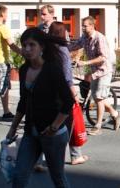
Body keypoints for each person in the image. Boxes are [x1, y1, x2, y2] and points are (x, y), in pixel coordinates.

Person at [5, 29, 73, 188]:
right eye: (24, 45)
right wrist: (13, 127)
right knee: (19, 176)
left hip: (53, 134)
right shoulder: (23, 70)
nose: (27, 49)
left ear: (42, 47)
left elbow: (68, 102)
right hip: (31, 131)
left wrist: (54, 126)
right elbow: (23, 101)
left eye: (32, 45)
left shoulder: (52, 69)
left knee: (58, 178)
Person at [69, 16, 120, 134]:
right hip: (94, 71)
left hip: (104, 71)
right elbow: (75, 46)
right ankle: (115, 113)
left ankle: (98, 126)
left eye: (85, 26)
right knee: (98, 97)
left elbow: (103, 57)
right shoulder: (84, 37)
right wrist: (61, 50)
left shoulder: (99, 38)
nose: (83, 28)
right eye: (82, 25)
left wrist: (85, 62)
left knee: (98, 97)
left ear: (92, 26)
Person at [47, 23, 88, 165]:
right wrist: (74, 94)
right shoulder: (62, 50)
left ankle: (40, 158)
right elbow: (67, 76)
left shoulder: (45, 49)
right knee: (70, 123)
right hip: (62, 93)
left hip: (47, 91)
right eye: (66, 31)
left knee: (46, 122)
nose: (68, 34)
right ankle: (75, 155)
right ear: (61, 34)